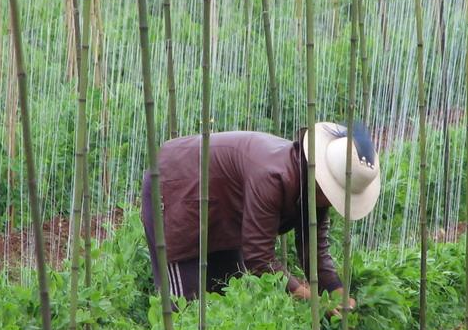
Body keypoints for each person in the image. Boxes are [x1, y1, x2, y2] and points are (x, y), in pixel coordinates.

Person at [140, 122, 381, 311]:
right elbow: (259, 258)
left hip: (221, 214)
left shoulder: (313, 190)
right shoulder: (272, 177)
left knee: (228, 294)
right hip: (175, 189)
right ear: (322, 182)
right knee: (184, 306)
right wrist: (309, 297)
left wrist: (336, 292)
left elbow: (314, 250)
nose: (333, 203)